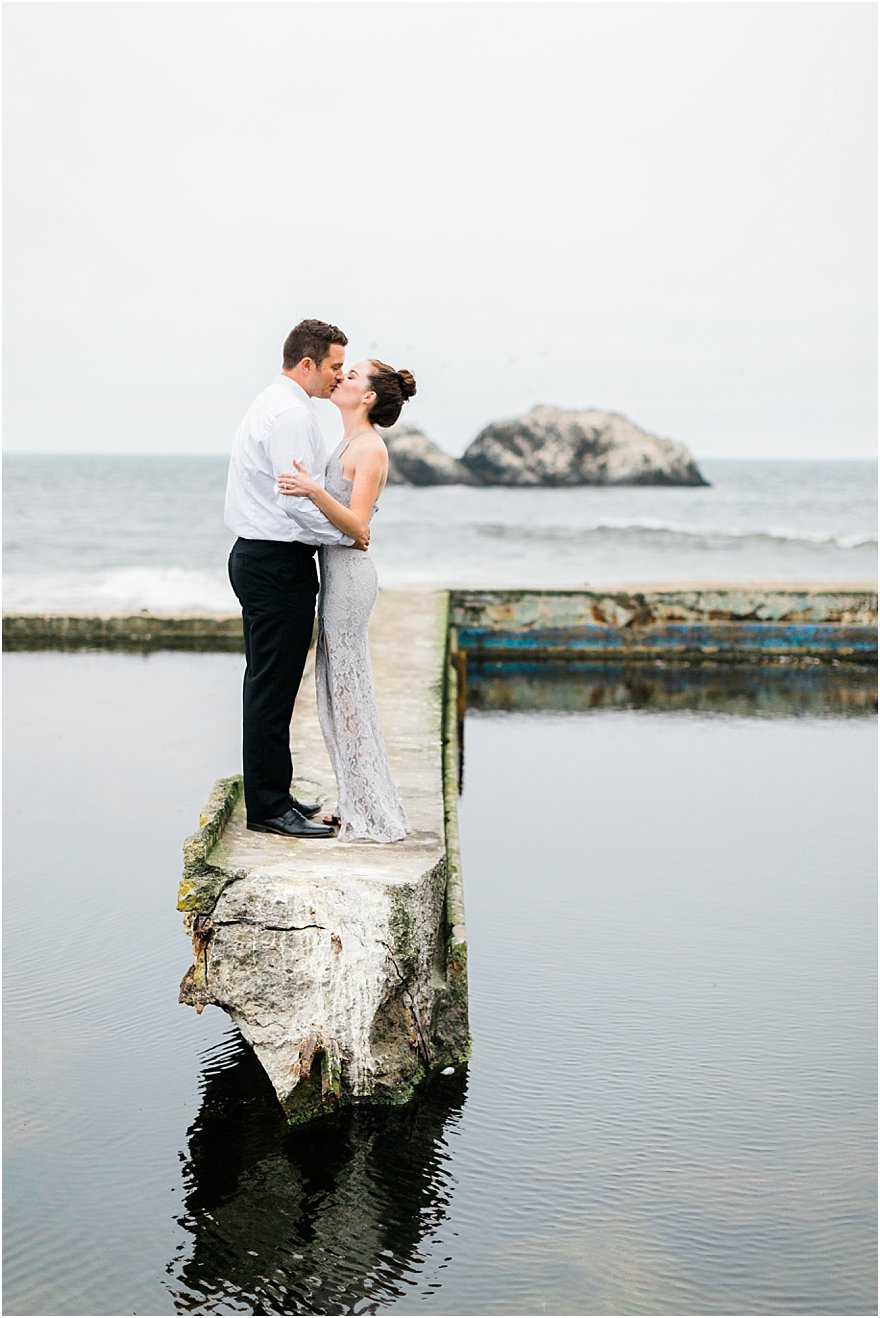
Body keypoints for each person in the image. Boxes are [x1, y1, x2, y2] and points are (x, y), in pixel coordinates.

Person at [225, 319, 370, 839]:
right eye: (334, 366)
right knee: (272, 687)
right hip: (274, 562)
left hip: (263, 559)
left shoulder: (276, 403)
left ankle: (276, 795)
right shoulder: (290, 414)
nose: (338, 376)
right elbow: (296, 502)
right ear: (307, 364)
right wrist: (346, 537)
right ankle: (268, 809)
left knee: (272, 684)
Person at [277, 358, 415, 842]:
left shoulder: (370, 448)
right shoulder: (348, 443)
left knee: (349, 693)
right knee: (336, 694)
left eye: (352, 376)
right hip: (337, 576)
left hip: (351, 582)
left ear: (369, 397)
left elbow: (358, 526)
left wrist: (313, 489)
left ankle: (370, 810)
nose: (342, 378)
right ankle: (356, 801)